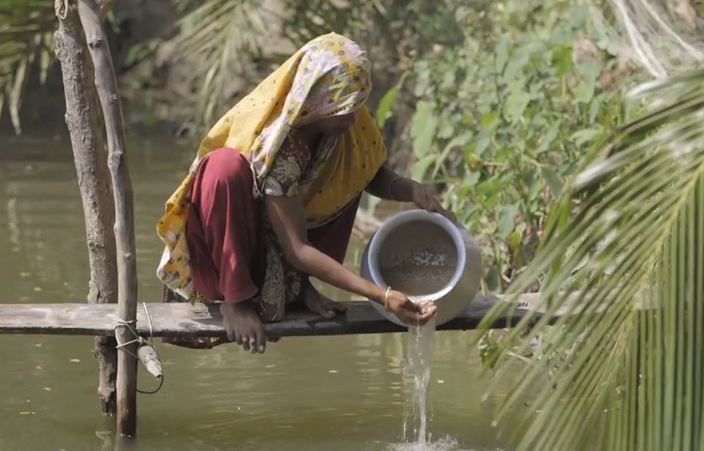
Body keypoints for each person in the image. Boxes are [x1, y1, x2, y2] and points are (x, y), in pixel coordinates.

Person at [156, 33, 455, 353]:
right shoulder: (278, 145)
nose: (354, 117)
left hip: (278, 245)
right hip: (224, 254)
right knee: (224, 168)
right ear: (318, 97)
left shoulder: (343, 121)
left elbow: (366, 171)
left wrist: (411, 190)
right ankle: (236, 300)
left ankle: (294, 287)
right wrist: (380, 294)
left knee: (345, 176)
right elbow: (297, 247)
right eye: (345, 107)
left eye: (357, 105)